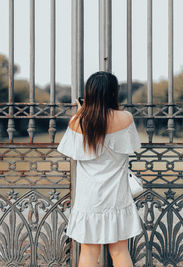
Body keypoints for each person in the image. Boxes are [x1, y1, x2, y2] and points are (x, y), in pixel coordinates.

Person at [57, 71, 143, 267]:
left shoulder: (78, 122)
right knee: (120, 251)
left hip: (89, 198)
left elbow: (69, 151)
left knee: (88, 252)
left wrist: (80, 112)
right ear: (113, 93)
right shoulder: (126, 118)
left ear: (89, 93)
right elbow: (133, 146)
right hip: (117, 195)